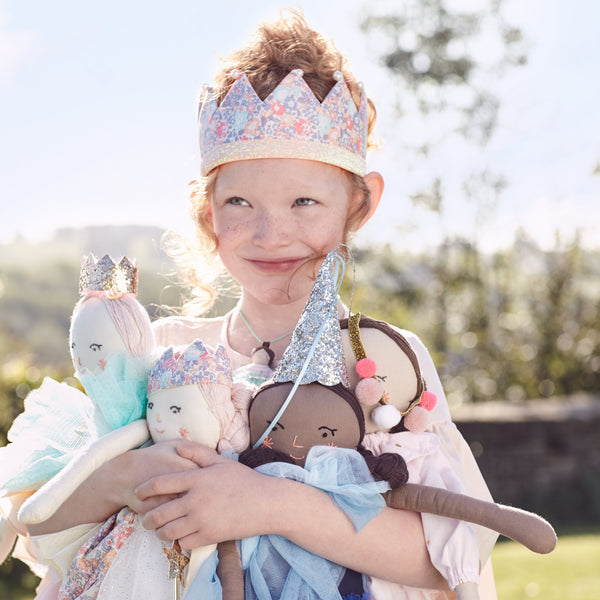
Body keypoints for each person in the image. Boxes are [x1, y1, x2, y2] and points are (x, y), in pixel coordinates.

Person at [26, 9, 498, 599]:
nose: (271, 234)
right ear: (209, 213)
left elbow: (446, 558)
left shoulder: (381, 361)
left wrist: (272, 504)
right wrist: (122, 477)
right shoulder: (157, 353)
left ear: (361, 204)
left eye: (304, 201)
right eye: (241, 203)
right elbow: (38, 522)